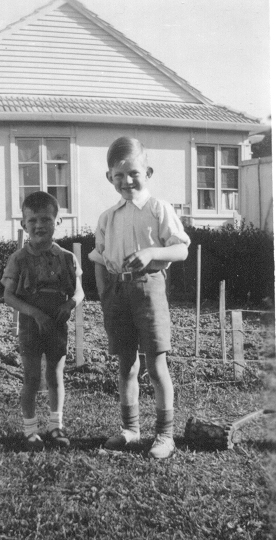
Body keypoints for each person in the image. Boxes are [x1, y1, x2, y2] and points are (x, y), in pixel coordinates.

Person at [89, 137, 190, 459]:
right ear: (109, 178)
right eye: (118, 176)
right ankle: (131, 430)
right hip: (117, 292)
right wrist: (105, 294)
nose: (126, 181)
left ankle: (165, 435)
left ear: (147, 172)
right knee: (126, 364)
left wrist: (151, 252)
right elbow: (100, 259)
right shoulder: (108, 216)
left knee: (156, 363)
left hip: (149, 289)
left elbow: (181, 248)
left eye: (133, 173)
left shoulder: (159, 208)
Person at [1, 191, 84, 450]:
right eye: (33, 220)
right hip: (31, 324)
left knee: (55, 375)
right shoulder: (19, 259)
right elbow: (8, 296)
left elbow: (79, 291)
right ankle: (30, 430)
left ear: (57, 222)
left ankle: (55, 426)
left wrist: (70, 304)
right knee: (32, 378)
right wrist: (35, 313)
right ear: (23, 224)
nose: (39, 225)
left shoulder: (67, 258)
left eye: (46, 219)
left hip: (57, 323)